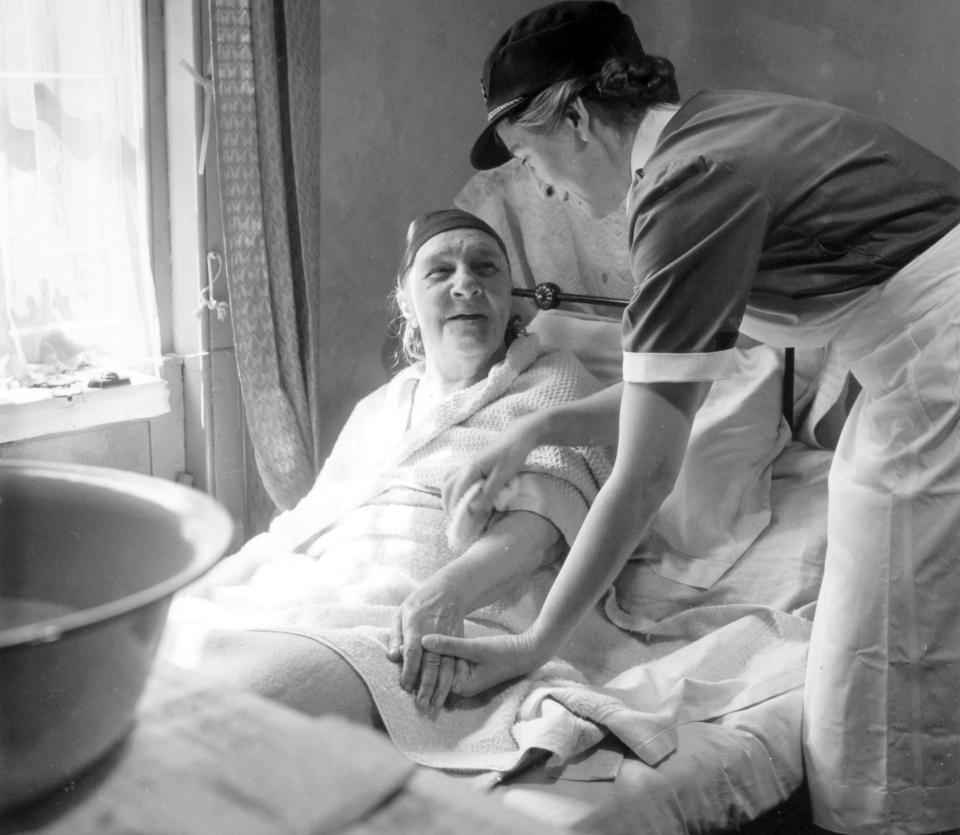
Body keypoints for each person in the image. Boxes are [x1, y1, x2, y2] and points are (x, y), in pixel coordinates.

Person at [423, 3, 960, 832]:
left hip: (939, 365)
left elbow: (645, 471)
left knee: (883, 657)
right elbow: (660, 394)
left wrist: (536, 642)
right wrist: (531, 429)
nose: (539, 184)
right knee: (878, 628)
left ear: (575, 115)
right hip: (918, 363)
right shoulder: (712, 129)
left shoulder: (683, 192)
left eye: (530, 154)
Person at [161, 208, 619, 770]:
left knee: (231, 716)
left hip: (443, 604)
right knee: (158, 676)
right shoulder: (381, 407)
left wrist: (444, 594)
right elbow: (314, 518)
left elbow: (548, 525)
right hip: (325, 591)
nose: (466, 283)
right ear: (405, 300)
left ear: (509, 295)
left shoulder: (553, 383)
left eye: (485, 268)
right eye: (439, 271)